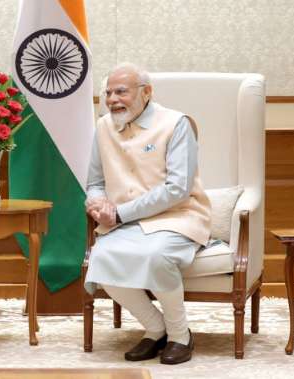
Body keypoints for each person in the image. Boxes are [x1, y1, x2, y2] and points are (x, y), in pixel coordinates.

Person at [84, 63, 211, 365]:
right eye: (109, 92)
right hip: (125, 222)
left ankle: (181, 336)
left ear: (146, 92)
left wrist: (119, 213)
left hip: (178, 217)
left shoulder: (176, 123)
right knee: (101, 259)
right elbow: (95, 182)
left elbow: (177, 188)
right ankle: (156, 329)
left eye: (121, 92)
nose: (113, 99)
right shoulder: (103, 126)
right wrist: (97, 203)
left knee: (157, 256)